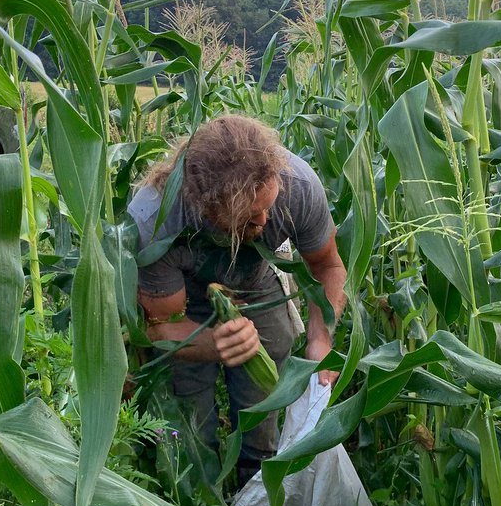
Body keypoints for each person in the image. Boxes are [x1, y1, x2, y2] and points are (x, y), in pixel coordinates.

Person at [128, 114, 346, 485]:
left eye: (268, 206)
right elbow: (159, 326)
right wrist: (216, 344)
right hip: (185, 302)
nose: (264, 221)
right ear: (206, 208)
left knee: (265, 390)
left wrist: (320, 338)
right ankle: (201, 492)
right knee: (190, 408)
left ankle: (257, 482)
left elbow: (327, 265)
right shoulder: (155, 219)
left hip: (256, 284)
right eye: (247, 220)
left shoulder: (298, 186)